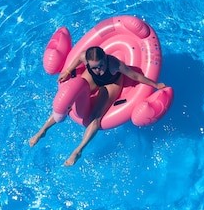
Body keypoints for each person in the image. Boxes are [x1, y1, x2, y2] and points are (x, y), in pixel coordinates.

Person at [29, 46, 166, 166]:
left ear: (105, 58)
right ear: (88, 62)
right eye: (94, 67)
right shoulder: (85, 57)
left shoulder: (114, 64)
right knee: (69, 102)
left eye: (100, 65)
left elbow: (135, 76)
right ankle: (42, 131)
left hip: (111, 82)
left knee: (96, 117)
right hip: (93, 80)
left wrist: (155, 85)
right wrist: (68, 71)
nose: (98, 69)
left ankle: (78, 150)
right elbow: (78, 59)